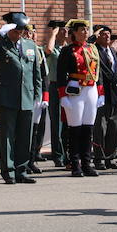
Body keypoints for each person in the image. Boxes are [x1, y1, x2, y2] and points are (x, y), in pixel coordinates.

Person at [0, 12, 44, 184]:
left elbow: (36, 73)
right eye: (16, 31)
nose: (19, 34)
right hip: (7, 97)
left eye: (21, 31)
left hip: (27, 96)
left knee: (25, 135)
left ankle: (21, 171)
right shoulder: (0, 44)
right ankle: (8, 171)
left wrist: (37, 94)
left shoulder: (30, 45)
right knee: (7, 136)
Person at [57, 19, 103, 177]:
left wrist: (101, 92)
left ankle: (87, 163)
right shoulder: (67, 50)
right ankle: (75, 164)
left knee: (88, 128)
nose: (85, 32)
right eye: (82, 30)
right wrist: (62, 95)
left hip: (91, 89)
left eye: (86, 29)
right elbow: (61, 74)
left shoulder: (93, 49)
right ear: (74, 33)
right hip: (75, 90)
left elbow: (98, 72)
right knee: (75, 129)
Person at [92, 25, 117, 170]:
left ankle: (111, 157)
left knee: (114, 127)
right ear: (98, 36)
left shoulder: (113, 52)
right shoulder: (94, 50)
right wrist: (94, 35)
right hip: (101, 94)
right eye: (104, 34)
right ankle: (99, 158)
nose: (107, 36)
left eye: (109, 34)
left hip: (114, 94)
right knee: (100, 128)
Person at [44, 20, 68, 168]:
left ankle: (68, 153)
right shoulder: (54, 49)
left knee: (69, 122)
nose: (65, 32)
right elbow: (49, 50)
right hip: (55, 86)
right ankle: (58, 155)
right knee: (57, 122)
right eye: (62, 30)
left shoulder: (68, 48)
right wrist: (53, 33)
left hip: (70, 87)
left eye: (66, 29)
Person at [27, 23, 49, 171]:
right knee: (24, 130)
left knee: (35, 128)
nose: (32, 35)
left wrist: (45, 97)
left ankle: (31, 160)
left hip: (37, 94)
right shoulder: (22, 49)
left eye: (34, 32)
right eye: (29, 32)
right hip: (25, 93)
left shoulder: (39, 51)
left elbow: (44, 76)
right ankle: (22, 160)